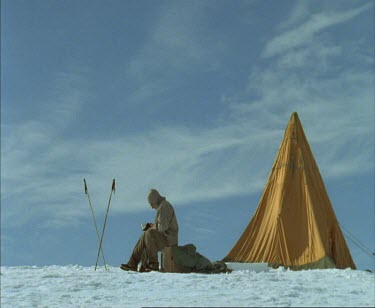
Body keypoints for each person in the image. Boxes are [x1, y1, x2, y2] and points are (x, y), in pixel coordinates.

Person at [121, 188, 179, 272]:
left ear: (155, 200)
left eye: (151, 203)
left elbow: (163, 227)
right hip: (165, 237)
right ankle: (134, 263)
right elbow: (162, 225)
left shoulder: (165, 206)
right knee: (146, 234)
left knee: (149, 233)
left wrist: (153, 227)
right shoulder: (161, 207)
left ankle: (153, 264)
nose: (151, 207)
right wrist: (154, 226)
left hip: (169, 240)